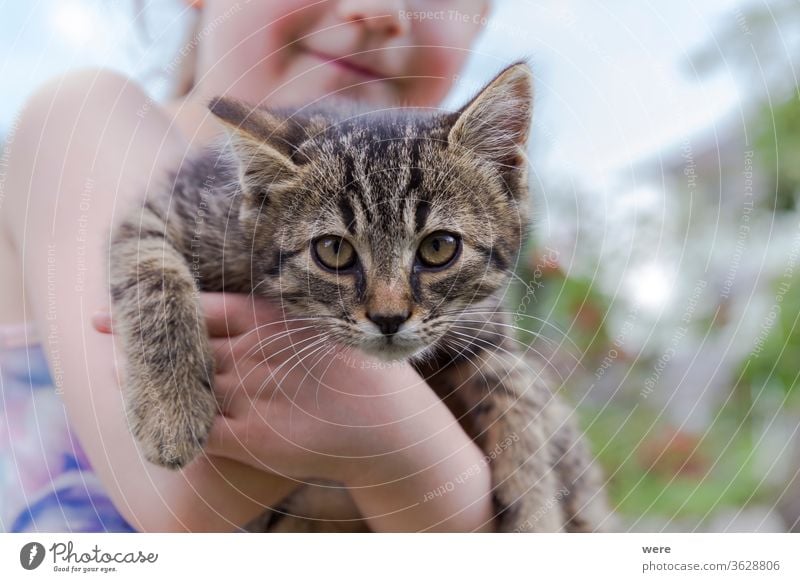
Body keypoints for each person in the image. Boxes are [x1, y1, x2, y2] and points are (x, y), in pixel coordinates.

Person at [0, 0, 497, 532]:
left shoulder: (449, 253)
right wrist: (397, 437)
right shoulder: (84, 120)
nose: (377, 10)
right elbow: (177, 499)